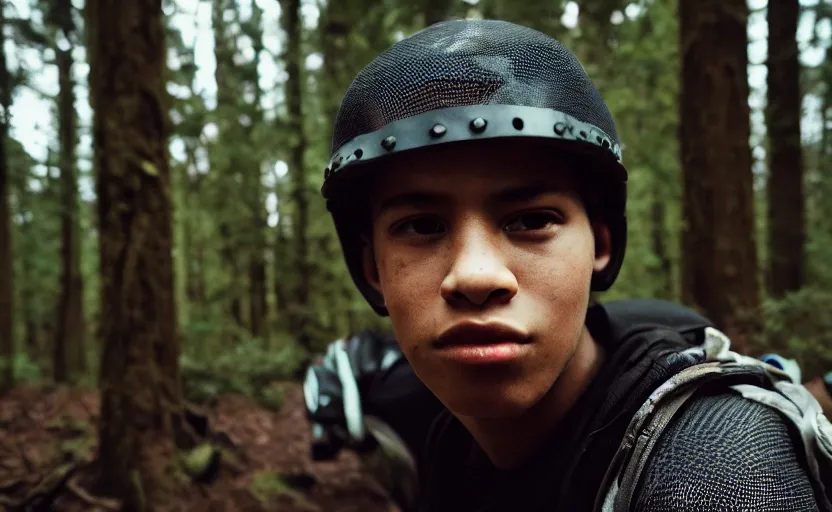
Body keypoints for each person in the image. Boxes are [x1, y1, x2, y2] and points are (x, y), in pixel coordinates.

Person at [317, 19, 832, 512]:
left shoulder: (715, 465)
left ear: (600, 245)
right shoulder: (448, 448)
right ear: (372, 271)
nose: (476, 276)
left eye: (531, 219)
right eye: (422, 227)